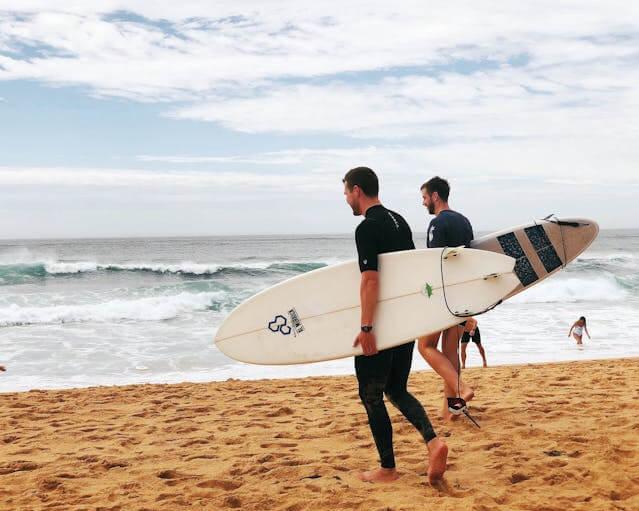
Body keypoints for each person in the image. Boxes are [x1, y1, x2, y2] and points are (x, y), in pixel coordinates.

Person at [343, 166, 448, 484]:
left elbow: (370, 280)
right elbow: (411, 271)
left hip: (383, 325)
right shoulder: (399, 220)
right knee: (396, 388)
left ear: (358, 191)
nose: (346, 198)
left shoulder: (366, 228)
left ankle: (387, 469)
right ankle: (433, 442)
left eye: (346, 192)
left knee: (371, 394)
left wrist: (366, 328)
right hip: (404, 321)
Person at [416, 176, 475, 421]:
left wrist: (426, 296)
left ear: (435, 196)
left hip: (444, 295)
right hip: (462, 294)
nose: (423, 203)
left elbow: (435, 263)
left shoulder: (437, 223)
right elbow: (471, 260)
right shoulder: (464, 221)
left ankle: (461, 389)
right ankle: (452, 409)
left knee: (425, 346)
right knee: (450, 353)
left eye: (424, 197)